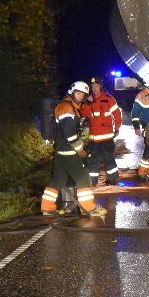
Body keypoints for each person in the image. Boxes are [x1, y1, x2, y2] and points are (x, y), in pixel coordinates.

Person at [40, 81, 106, 217]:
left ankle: (47, 207)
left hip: (60, 151)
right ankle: (88, 208)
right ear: (71, 92)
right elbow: (70, 134)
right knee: (83, 179)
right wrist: (81, 150)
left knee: (58, 180)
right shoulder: (66, 107)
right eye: (78, 93)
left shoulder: (69, 106)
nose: (80, 97)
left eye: (83, 95)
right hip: (68, 151)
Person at [81, 76, 121, 187]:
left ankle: (113, 180)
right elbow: (84, 115)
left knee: (109, 159)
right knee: (93, 161)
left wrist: (117, 127)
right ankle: (91, 182)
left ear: (100, 87)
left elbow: (117, 114)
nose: (94, 89)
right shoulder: (87, 101)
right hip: (93, 138)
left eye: (96, 86)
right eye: (93, 86)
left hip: (107, 138)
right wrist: (87, 103)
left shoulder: (108, 99)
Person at [132, 79, 149, 185]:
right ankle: (142, 171)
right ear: (148, 83)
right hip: (148, 127)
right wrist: (136, 127)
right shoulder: (141, 95)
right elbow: (135, 112)